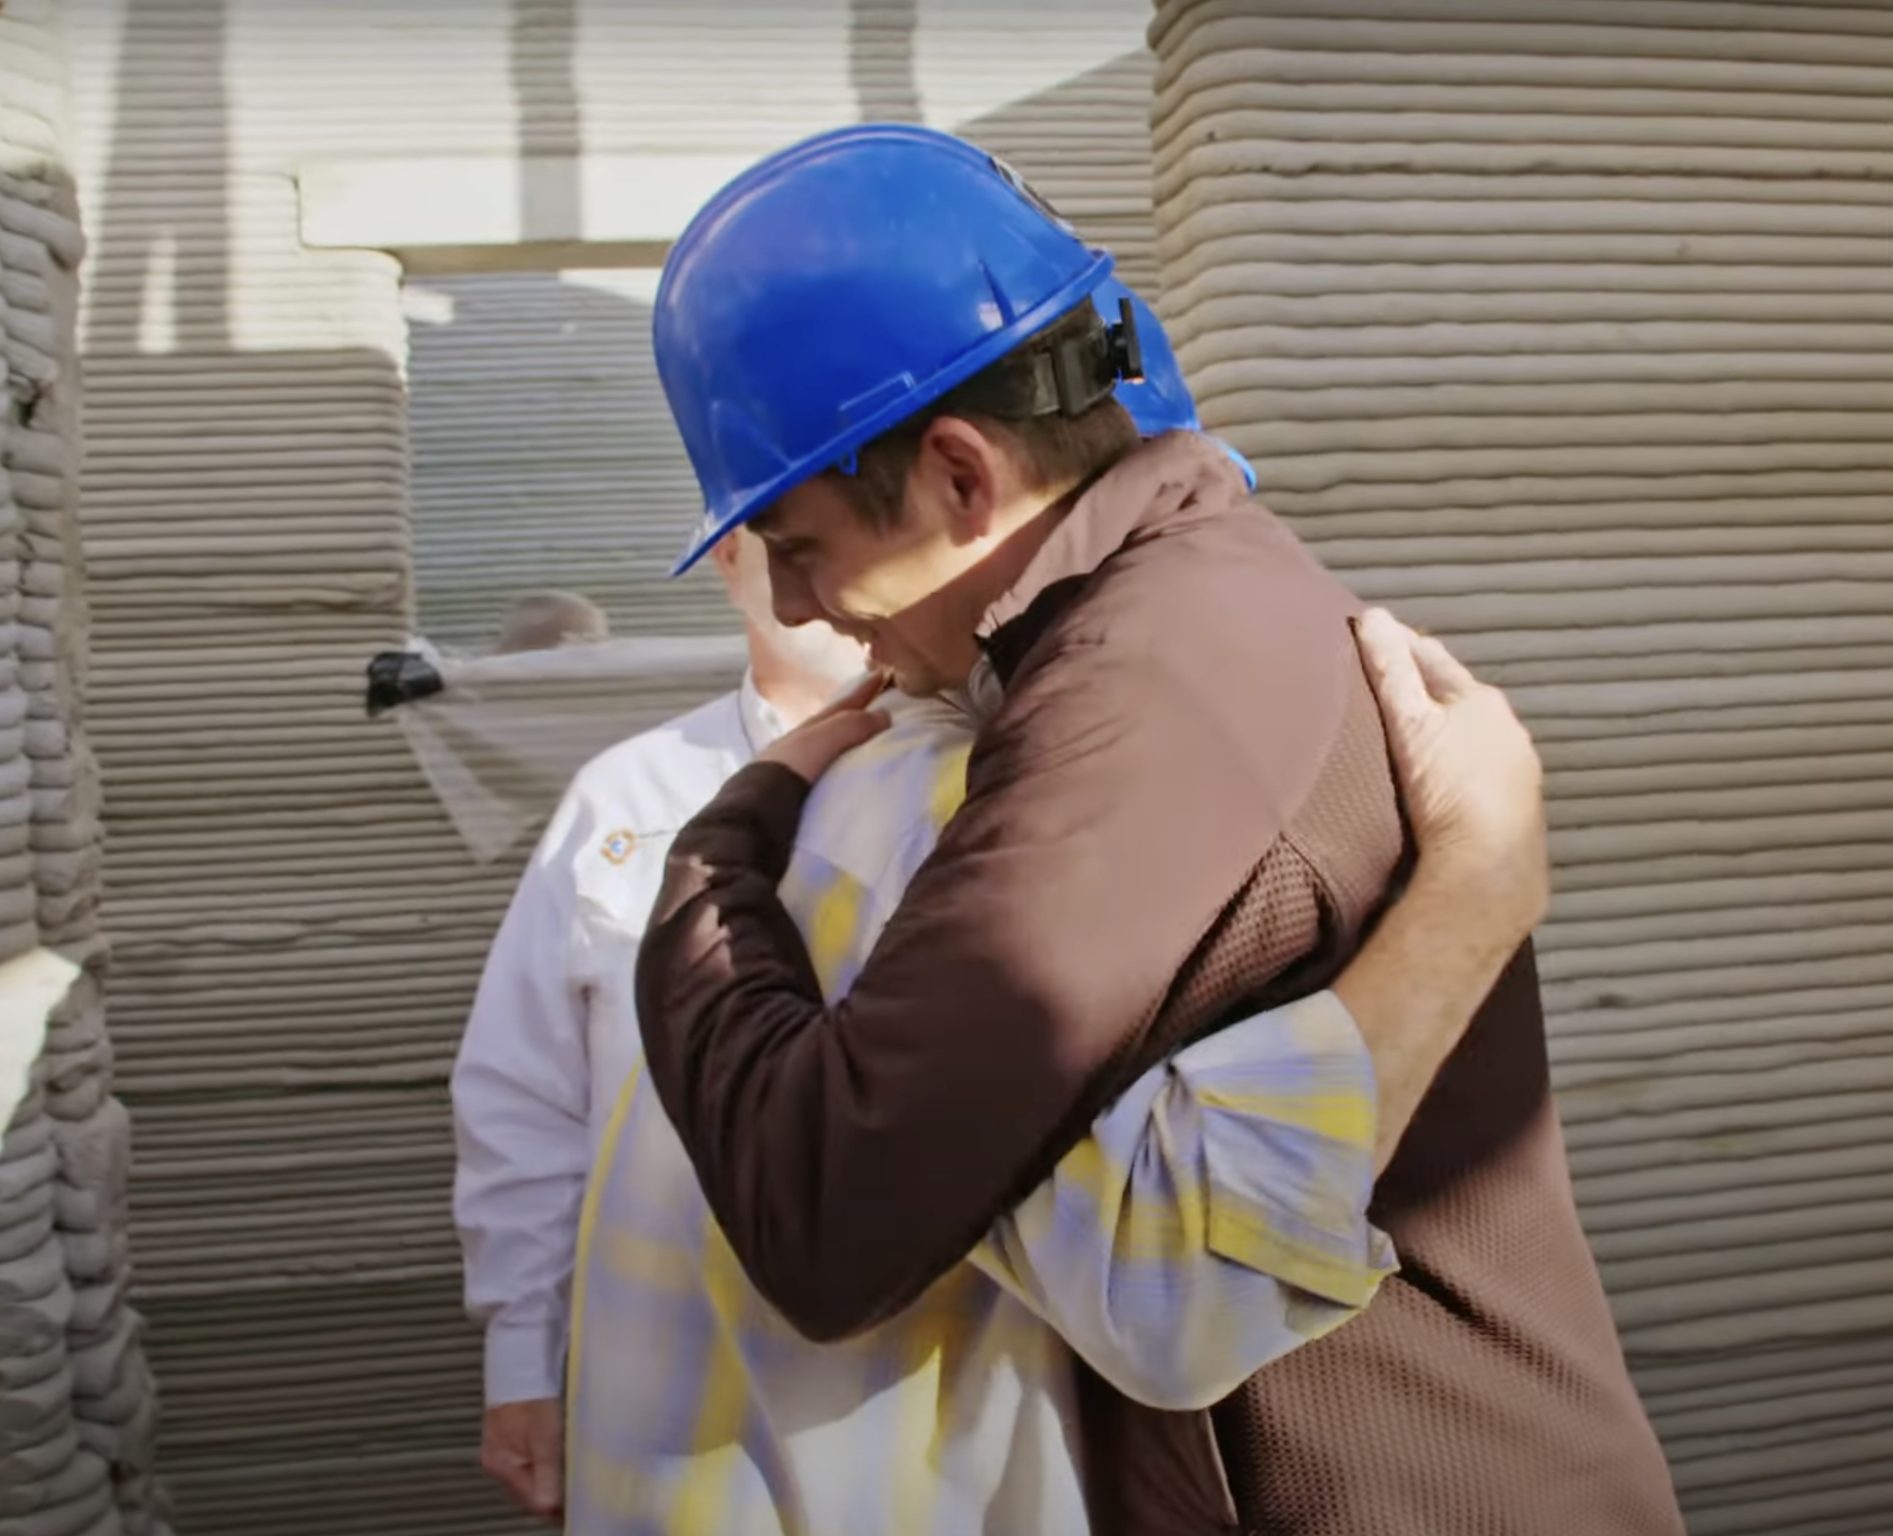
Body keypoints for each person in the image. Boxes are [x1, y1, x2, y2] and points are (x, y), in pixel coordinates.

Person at [634, 125, 1683, 1534]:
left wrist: (707, 861)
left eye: (800, 545)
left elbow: (826, 1213)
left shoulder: (1151, 680)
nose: (805, 608)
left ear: (959, 475)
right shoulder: (1131, 627)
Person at [450, 528, 863, 1519]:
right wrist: (522, 1356)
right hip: (664, 1370)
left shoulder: (988, 788)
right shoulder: (627, 798)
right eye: (794, 536)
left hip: (925, 1361)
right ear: (727, 560)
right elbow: (525, 1096)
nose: (835, 573)